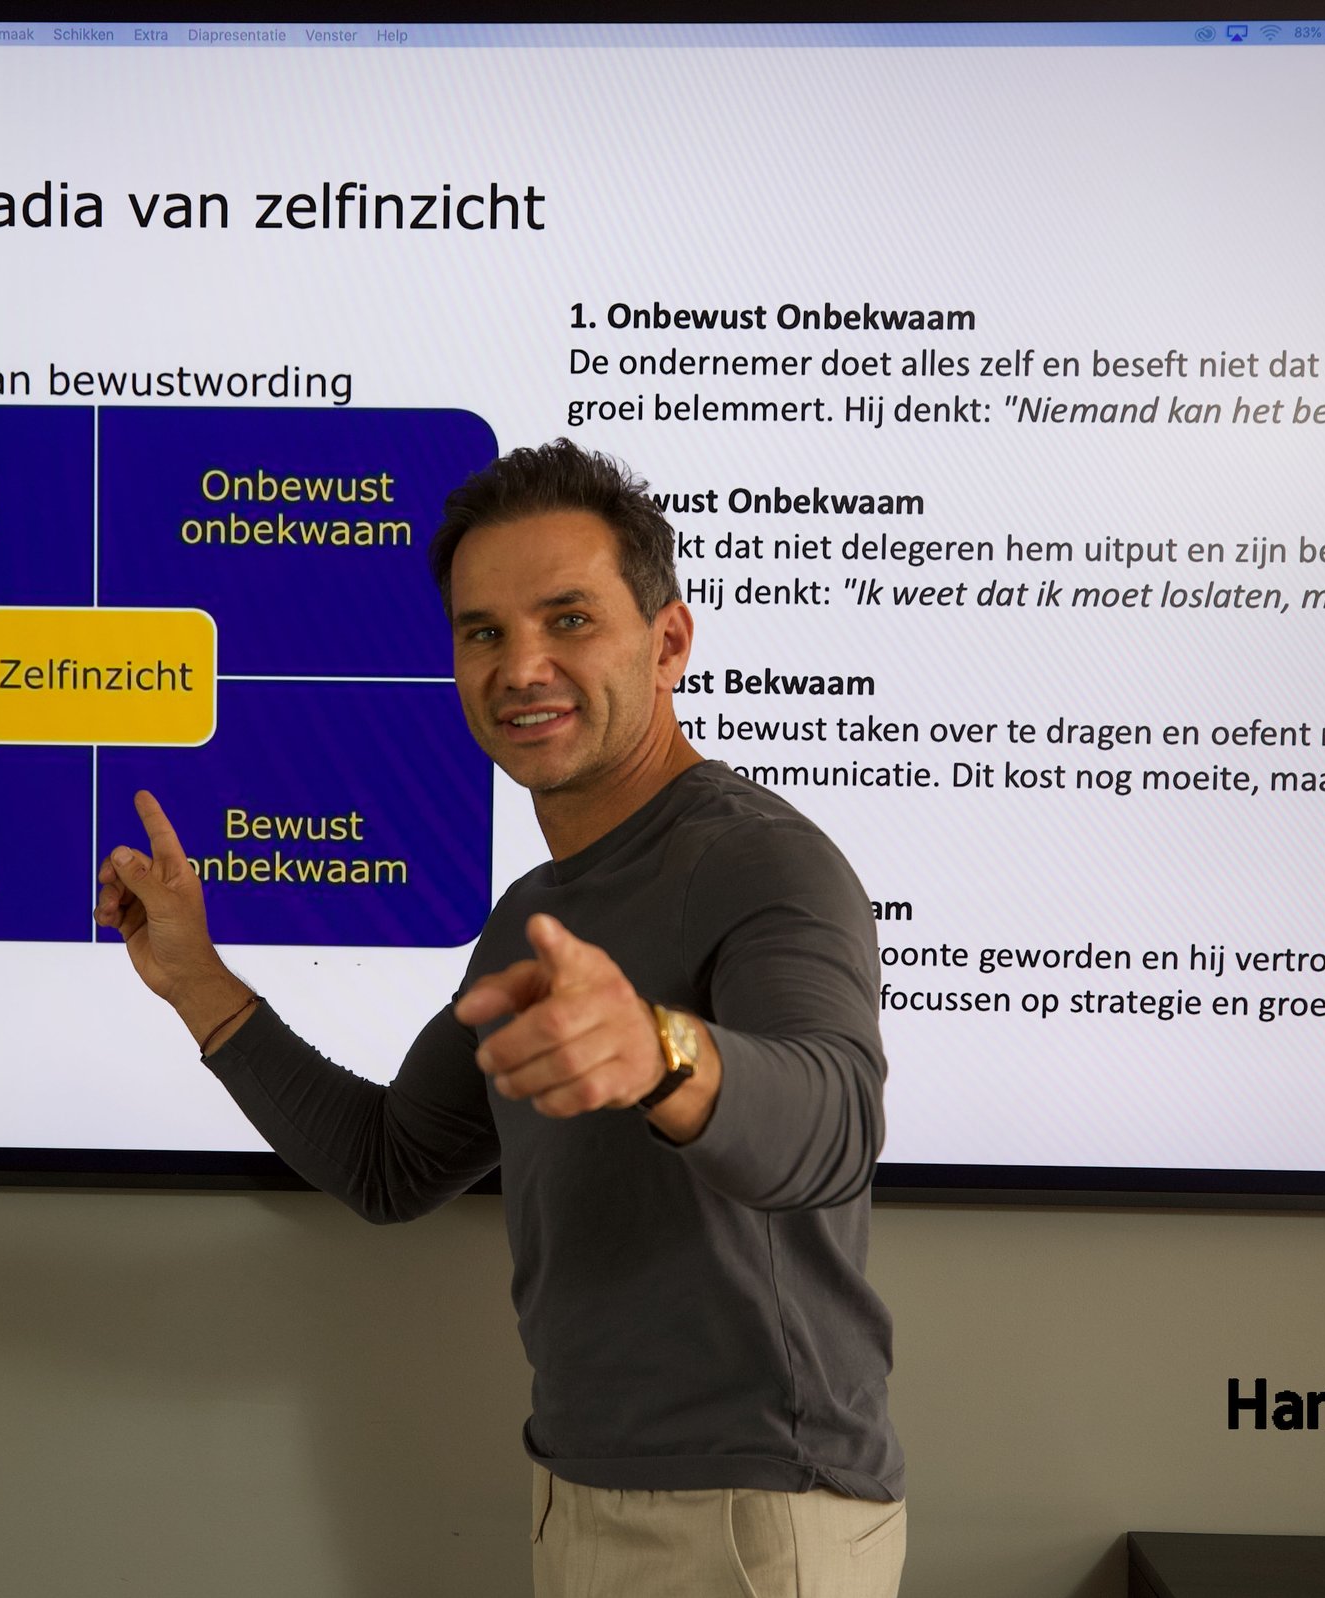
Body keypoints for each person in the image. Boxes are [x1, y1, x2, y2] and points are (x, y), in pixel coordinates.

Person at [95, 439, 904, 1596]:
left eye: (568, 618)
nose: (521, 666)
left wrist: (659, 1050)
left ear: (667, 642)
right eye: (483, 632)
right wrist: (195, 980)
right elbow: (391, 1164)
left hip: (750, 1513)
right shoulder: (533, 912)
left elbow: (832, 1128)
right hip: (582, 1486)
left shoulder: (760, 858)